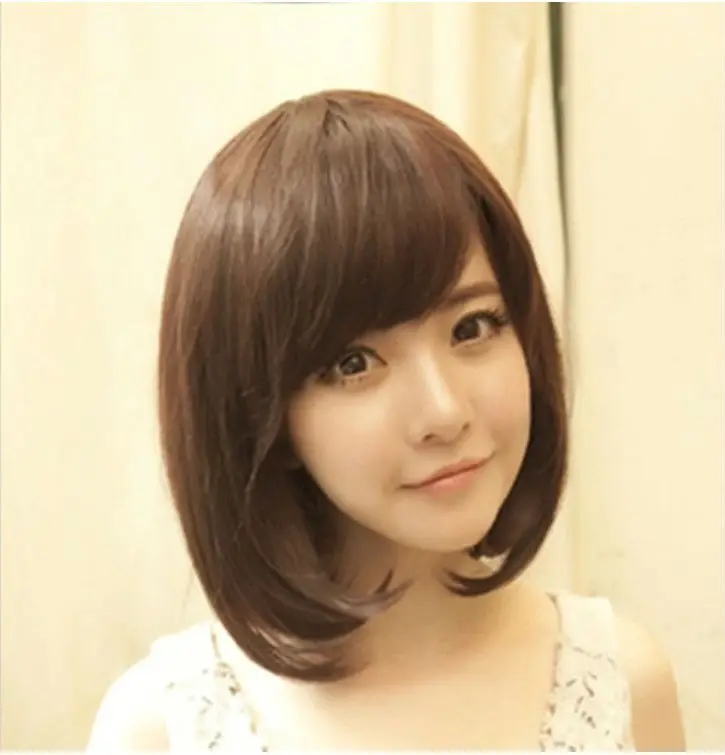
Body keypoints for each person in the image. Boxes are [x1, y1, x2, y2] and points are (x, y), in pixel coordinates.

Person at [87, 90, 686, 752]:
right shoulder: (160, 728)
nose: (444, 411)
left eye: (472, 327)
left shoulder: (621, 684)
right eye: (352, 364)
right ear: (263, 417)